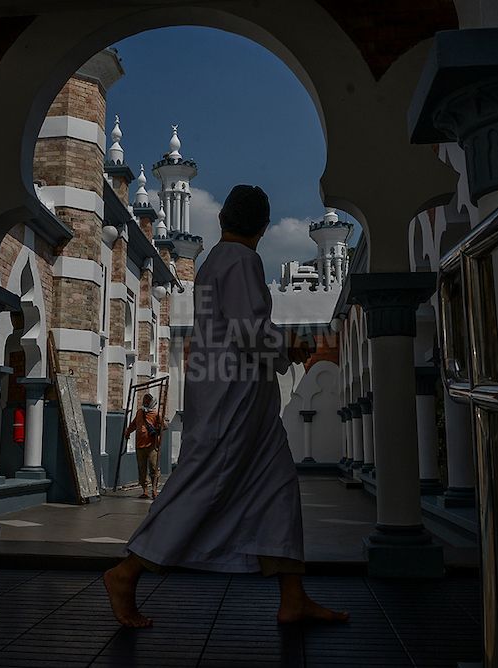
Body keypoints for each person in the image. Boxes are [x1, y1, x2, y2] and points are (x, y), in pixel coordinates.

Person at [105, 184, 349, 628]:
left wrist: (279, 346)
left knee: (279, 489)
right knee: (202, 487)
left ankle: (292, 595)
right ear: (263, 228)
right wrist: (290, 343)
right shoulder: (242, 260)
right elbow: (249, 330)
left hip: (241, 400)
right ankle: (127, 572)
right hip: (232, 401)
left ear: (221, 222)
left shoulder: (216, 261)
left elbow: (243, 327)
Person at [123, 392, 165, 499]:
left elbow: (164, 426)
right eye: (144, 400)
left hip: (152, 446)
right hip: (139, 445)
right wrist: (127, 432)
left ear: (151, 402)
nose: (145, 402)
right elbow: (133, 425)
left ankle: (154, 490)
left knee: (153, 468)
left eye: (148, 400)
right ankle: (145, 490)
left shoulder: (156, 414)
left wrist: (157, 428)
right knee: (142, 469)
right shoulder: (139, 413)